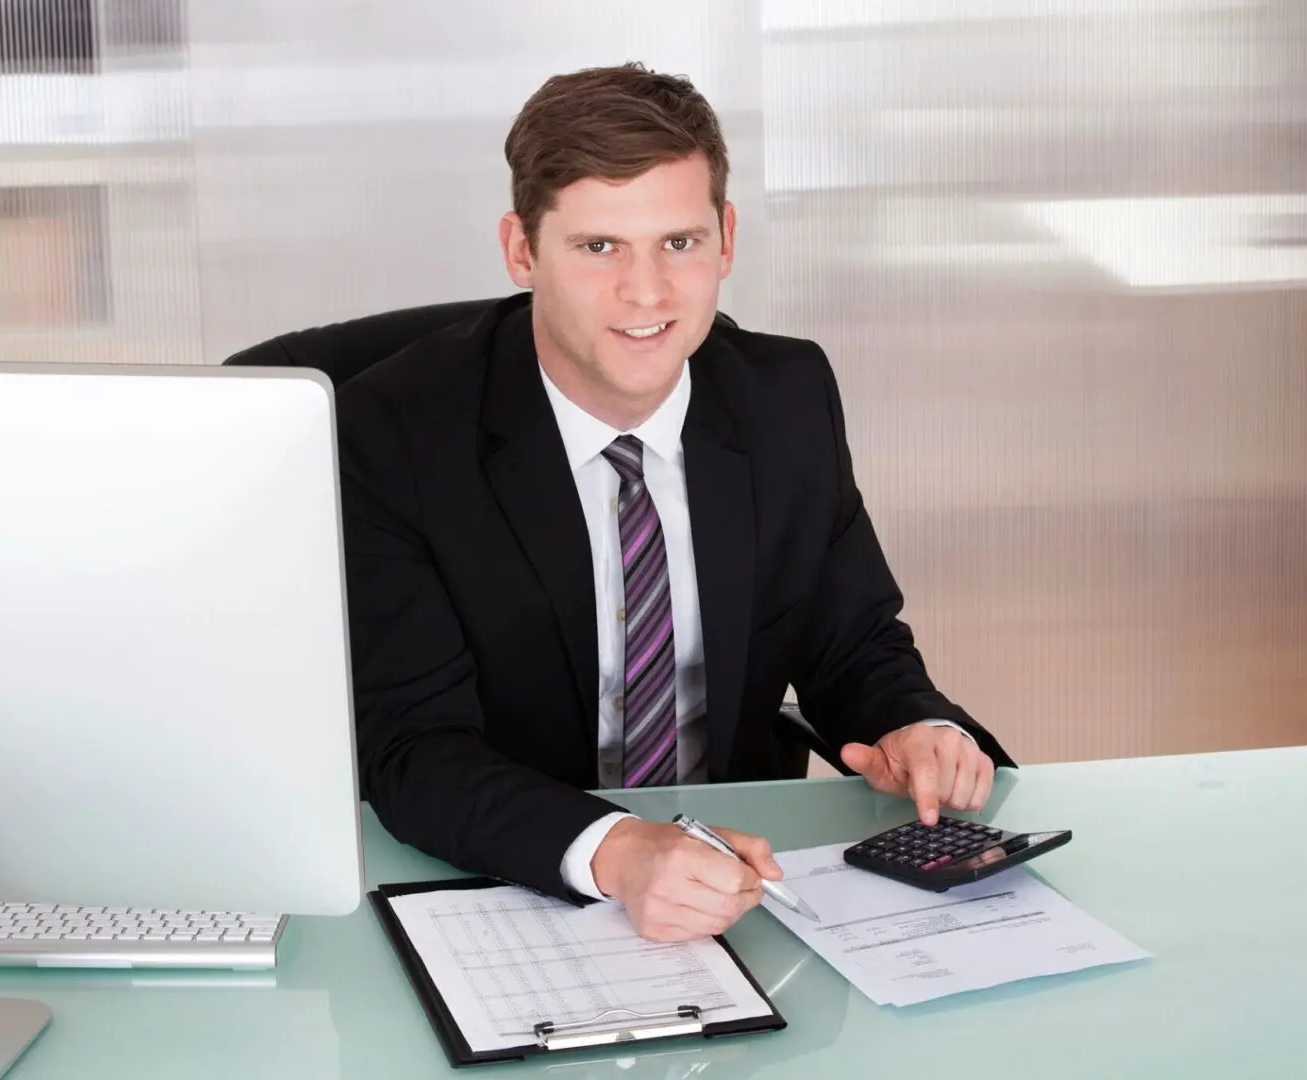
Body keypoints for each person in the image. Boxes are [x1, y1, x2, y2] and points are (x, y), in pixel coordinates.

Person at [335, 61, 1015, 943]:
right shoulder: (392, 432)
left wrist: (913, 725)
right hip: (502, 881)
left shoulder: (784, 395)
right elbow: (412, 748)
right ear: (520, 250)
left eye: (678, 243)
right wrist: (619, 851)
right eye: (597, 247)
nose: (647, 293)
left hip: (743, 879)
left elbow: (849, 641)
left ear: (725, 238)